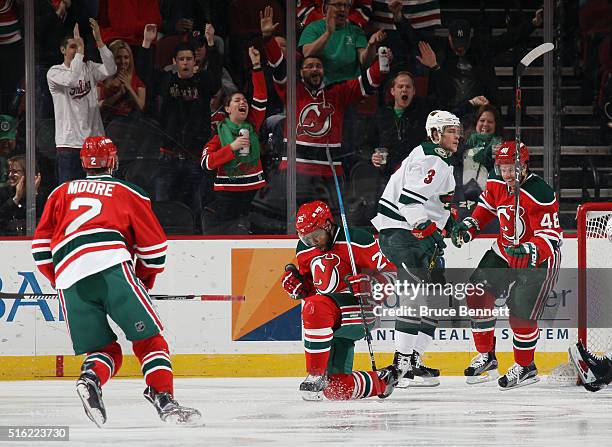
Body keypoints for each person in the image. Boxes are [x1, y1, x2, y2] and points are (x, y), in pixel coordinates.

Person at [31, 136, 201, 426]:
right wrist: (144, 282)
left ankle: (91, 379)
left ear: (84, 163)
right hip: (112, 268)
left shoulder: (60, 192)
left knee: (105, 350)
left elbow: (40, 248)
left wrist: (58, 279)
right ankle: (163, 398)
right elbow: (155, 248)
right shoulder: (128, 191)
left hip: (70, 278)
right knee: (149, 340)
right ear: (113, 160)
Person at [451, 141, 562, 389]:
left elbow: (552, 236)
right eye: (503, 168)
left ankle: (526, 367)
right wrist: (471, 227)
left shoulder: (540, 193)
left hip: (537, 259)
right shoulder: (496, 181)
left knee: (520, 313)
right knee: (477, 292)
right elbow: (487, 207)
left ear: (524, 166)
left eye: (513, 168)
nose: (507, 173)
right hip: (504, 250)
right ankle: (487, 356)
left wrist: (530, 250)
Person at [371, 110, 462, 387]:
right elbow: (409, 202)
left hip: (413, 233)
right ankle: (401, 361)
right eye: (450, 130)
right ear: (435, 134)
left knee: (436, 299)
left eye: (457, 130)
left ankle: (412, 361)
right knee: (415, 293)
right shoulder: (430, 158)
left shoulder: (440, 159)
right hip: (402, 232)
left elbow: (435, 202)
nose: (457, 135)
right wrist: (428, 228)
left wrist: (447, 223)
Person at [281, 200, 399, 401]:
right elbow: (313, 286)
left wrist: (369, 285)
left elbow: (391, 276)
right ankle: (383, 380)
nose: (312, 243)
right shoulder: (303, 249)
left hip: (361, 310)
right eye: (306, 238)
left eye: (315, 236)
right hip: (328, 315)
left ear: (327, 224)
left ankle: (315, 373)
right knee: (337, 390)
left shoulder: (357, 240)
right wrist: (299, 287)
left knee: (314, 308)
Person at [155, 27, 222, 216]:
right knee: (163, 206)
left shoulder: (203, 81)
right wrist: (145, 46)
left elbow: (216, 78)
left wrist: (211, 45)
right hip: (168, 155)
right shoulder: (167, 81)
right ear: (174, 62)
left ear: (195, 61)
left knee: (197, 205)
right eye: (182, 59)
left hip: (195, 155)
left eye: (189, 59)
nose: (185, 63)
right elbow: (149, 78)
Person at [200, 47, 267, 233]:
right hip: (227, 197)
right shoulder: (218, 134)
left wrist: (256, 66)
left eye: (244, 100)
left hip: (255, 195)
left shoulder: (253, 124)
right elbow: (206, 162)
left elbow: (260, 96)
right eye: (237, 100)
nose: (243, 102)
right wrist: (231, 148)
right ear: (227, 109)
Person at [47, 19, 117, 184]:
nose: (77, 50)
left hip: (94, 144)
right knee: (70, 195)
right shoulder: (54, 72)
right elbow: (71, 79)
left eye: (79, 46)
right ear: (62, 50)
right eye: (73, 46)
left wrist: (99, 42)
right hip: (69, 145)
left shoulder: (89, 68)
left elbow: (111, 69)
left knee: (96, 192)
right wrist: (80, 53)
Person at [299, 0, 385, 84]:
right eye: (338, 5)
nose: (343, 9)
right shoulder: (313, 28)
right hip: (324, 87)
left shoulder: (356, 30)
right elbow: (307, 53)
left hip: (351, 87)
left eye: (346, 5)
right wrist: (328, 33)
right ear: (326, 7)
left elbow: (364, 61)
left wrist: (371, 45)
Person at [98, 39, 146, 122]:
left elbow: (141, 107)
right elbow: (97, 107)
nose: (123, 61)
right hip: (107, 122)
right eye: (118, 58)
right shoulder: (101, 80)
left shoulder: (137, 81)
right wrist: (118, 94)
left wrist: (129, 88)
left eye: (126, 57)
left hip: (130, 124)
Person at [0, 156, 45, 236]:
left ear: (29, 174)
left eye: (15, 172)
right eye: (9, 171)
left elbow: (42, 221)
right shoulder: (4, 193)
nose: (10, 175)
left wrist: (33, 195)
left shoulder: (43, 195)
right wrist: (15, 199)